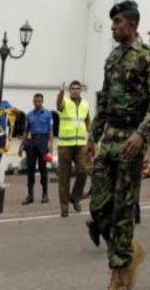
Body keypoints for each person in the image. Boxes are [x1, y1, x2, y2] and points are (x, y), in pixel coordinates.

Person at [87, 0, 150, 290]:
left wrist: (141, 133)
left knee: (123, 209)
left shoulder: (147, 58)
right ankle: (129, 252)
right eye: (113, 21)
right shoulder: (112, 59)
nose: (112, 26)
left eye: (117, 21)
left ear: (131, 24)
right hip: (109, 140)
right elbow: (104, 103)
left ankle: (119, 276)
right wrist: (91, 137)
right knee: (98, 208)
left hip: (131, 143)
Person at [56, 81, 91, 217]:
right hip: (65, 145)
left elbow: (87, 120)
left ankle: (75, 197)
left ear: (81, 90)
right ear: (69, 90)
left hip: (81, 144)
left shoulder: (85, 103)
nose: (75, 90)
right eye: (73, 88)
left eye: (77, 88)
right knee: (64, 177)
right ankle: (64, 208)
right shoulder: (65, 101)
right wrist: (60, 92)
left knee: (83, 170)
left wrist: (91, 139)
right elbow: (58, 105)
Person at [18, 93, 53, 204]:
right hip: (32, 142)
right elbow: (26, 131)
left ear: (42, 101)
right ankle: (30, 195)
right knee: (30, 169)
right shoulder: (29, 115)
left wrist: (51, 145)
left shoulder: (48, 114)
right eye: (35, 101)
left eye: (39, 101)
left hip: (43, 141)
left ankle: (45, 194)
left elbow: (51, 130)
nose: (37, 102)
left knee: (43, 168)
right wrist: (21, 146)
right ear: (33, 101)